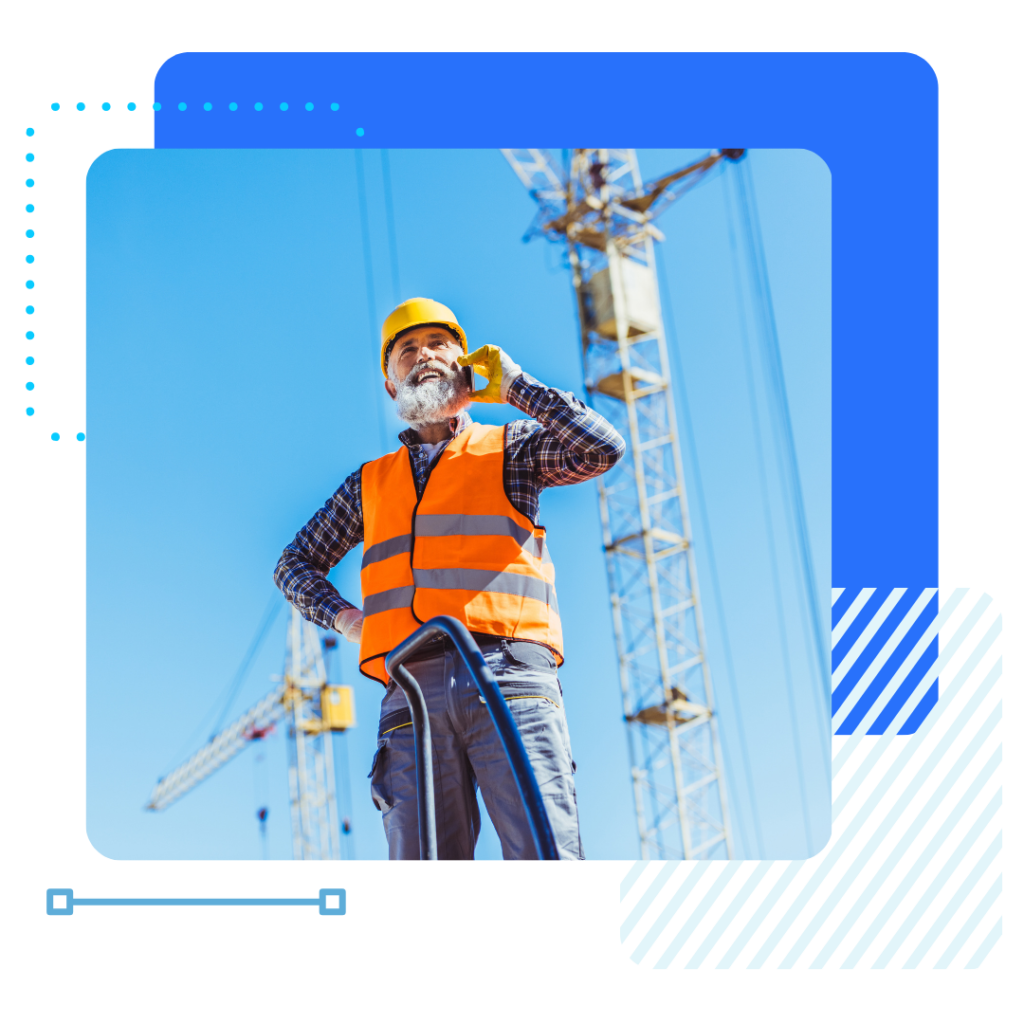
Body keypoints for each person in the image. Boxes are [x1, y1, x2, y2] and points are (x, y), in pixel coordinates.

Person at [274, 297, 625, 860]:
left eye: (439, 344)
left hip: (508, 676)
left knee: (546, 852)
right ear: (391, 385)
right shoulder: (368, 484)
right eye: (407, 350)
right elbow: (293, 566)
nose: (424, 356)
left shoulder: (512, 448)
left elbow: (602, 447)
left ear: (464, 362)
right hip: (409, 692)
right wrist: (348, 621)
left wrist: (513, 386)